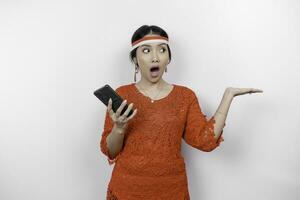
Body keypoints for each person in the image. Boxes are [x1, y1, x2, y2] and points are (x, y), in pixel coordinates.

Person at [100, 25, 263, 200]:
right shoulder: (122, 95)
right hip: (126, 191)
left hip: (172, 192)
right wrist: (119, 127)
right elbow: (111, 151)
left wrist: (228, 96)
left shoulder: (185, 96)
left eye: (162, 50)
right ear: (135, 59)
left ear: (168, 58)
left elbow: (205, 141)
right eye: (146, 51)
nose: (155, 57)